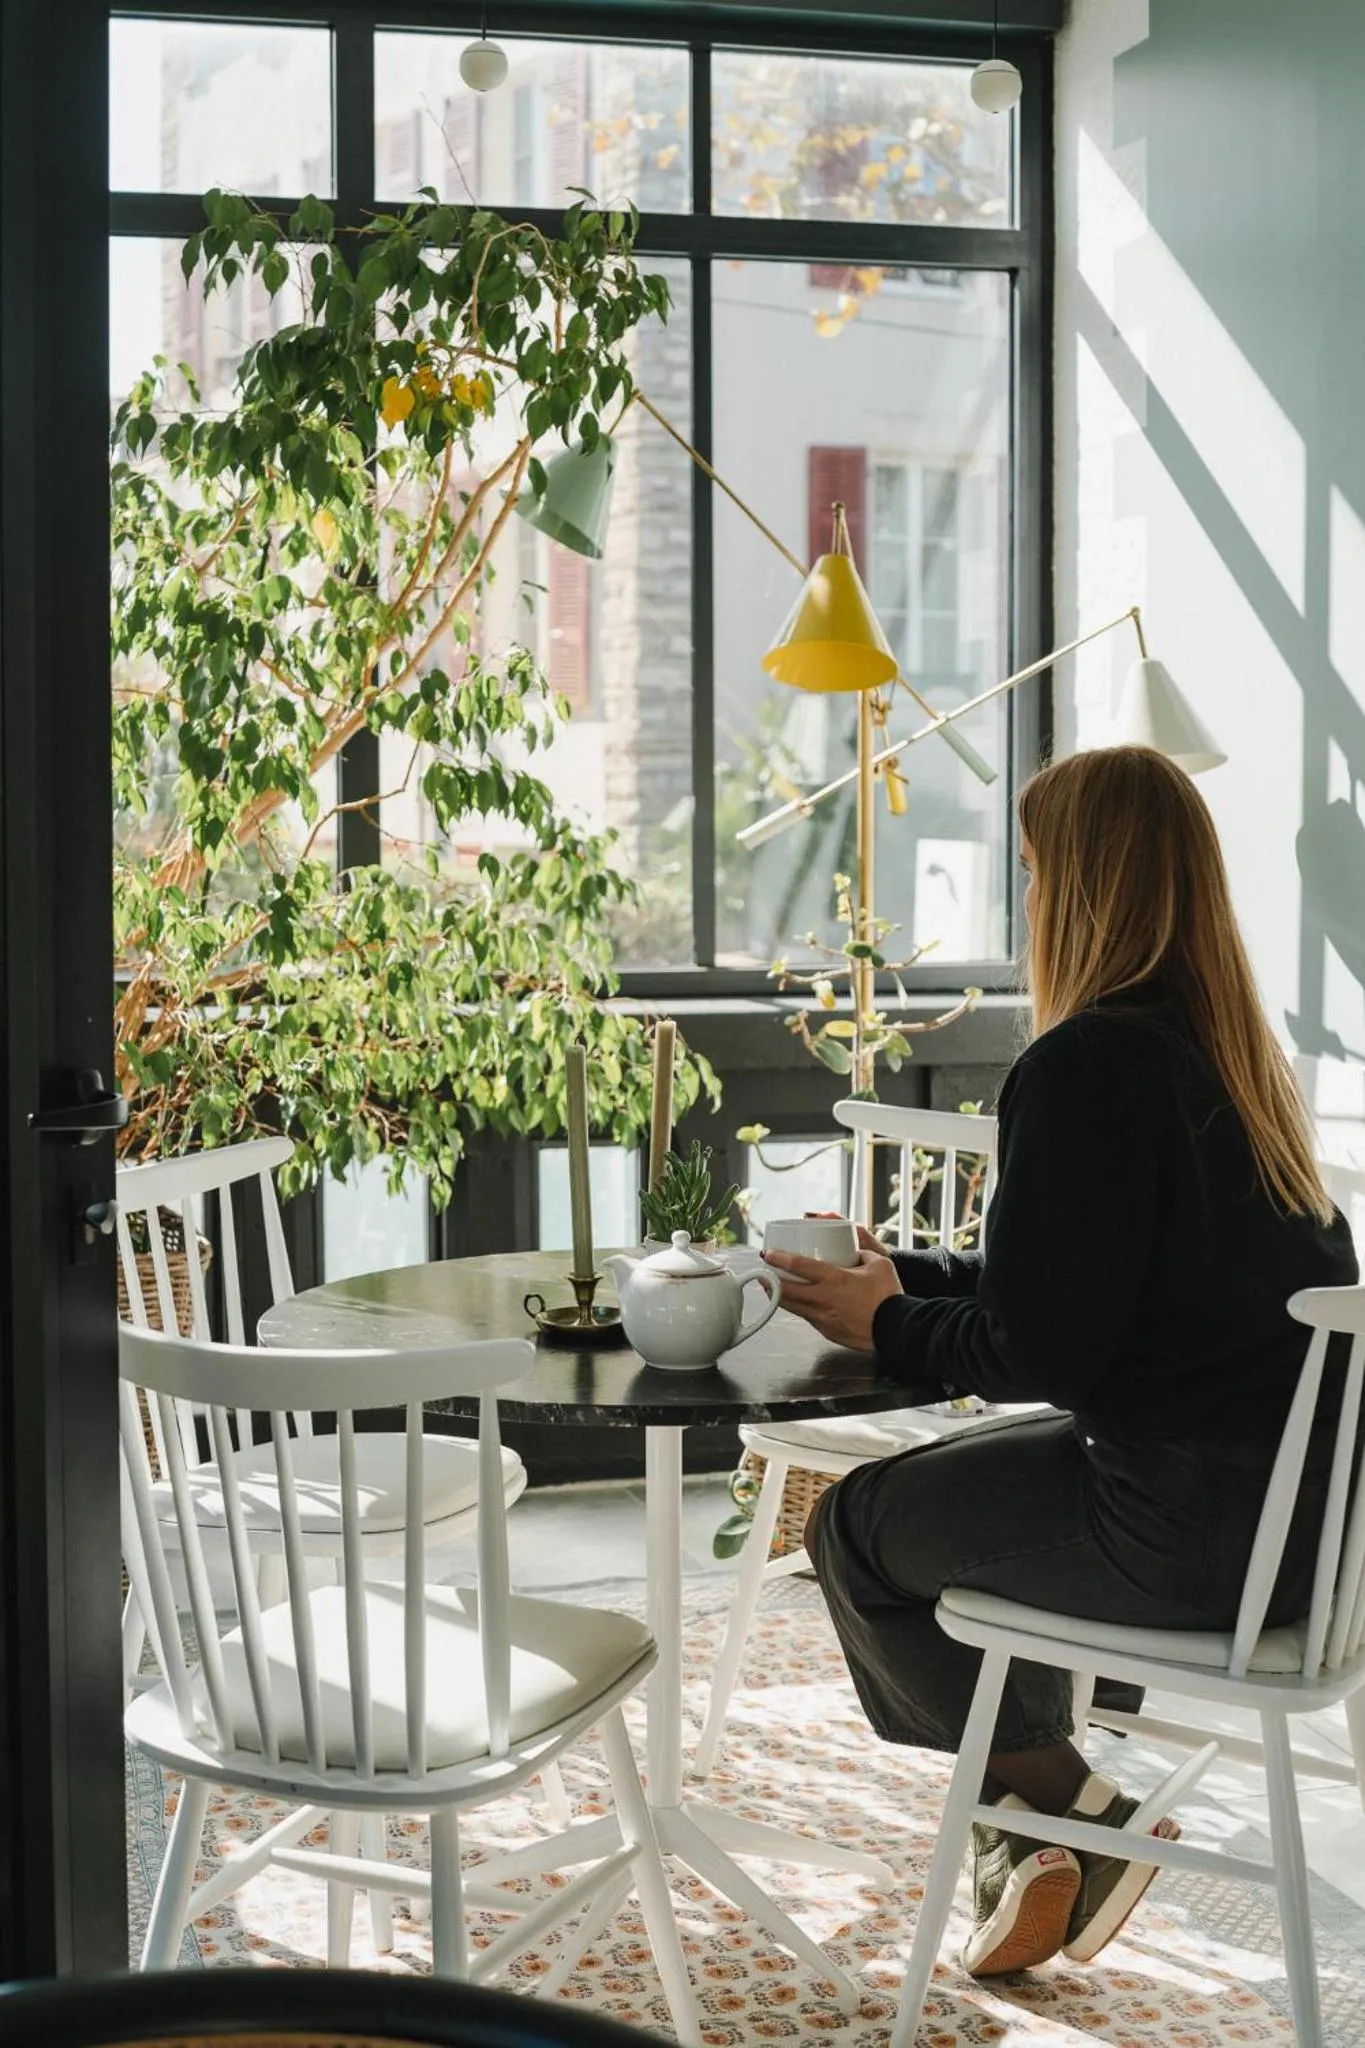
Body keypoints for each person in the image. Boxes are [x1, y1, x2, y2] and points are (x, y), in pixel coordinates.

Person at [764, 746, 1358, 1978]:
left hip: (1183, 1532)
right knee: (972, 1508)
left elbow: (1041, 1349)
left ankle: (1068, 1815)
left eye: (1034, 872)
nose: (1024, 898)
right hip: (1310, 1534)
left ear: (1081, 888)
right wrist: (906, 1281)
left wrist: (882, 1327)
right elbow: (1095, 1296)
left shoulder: (1086, 1064)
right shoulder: (1236, 1068)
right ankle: (1037, 1847)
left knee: (859, 1529)